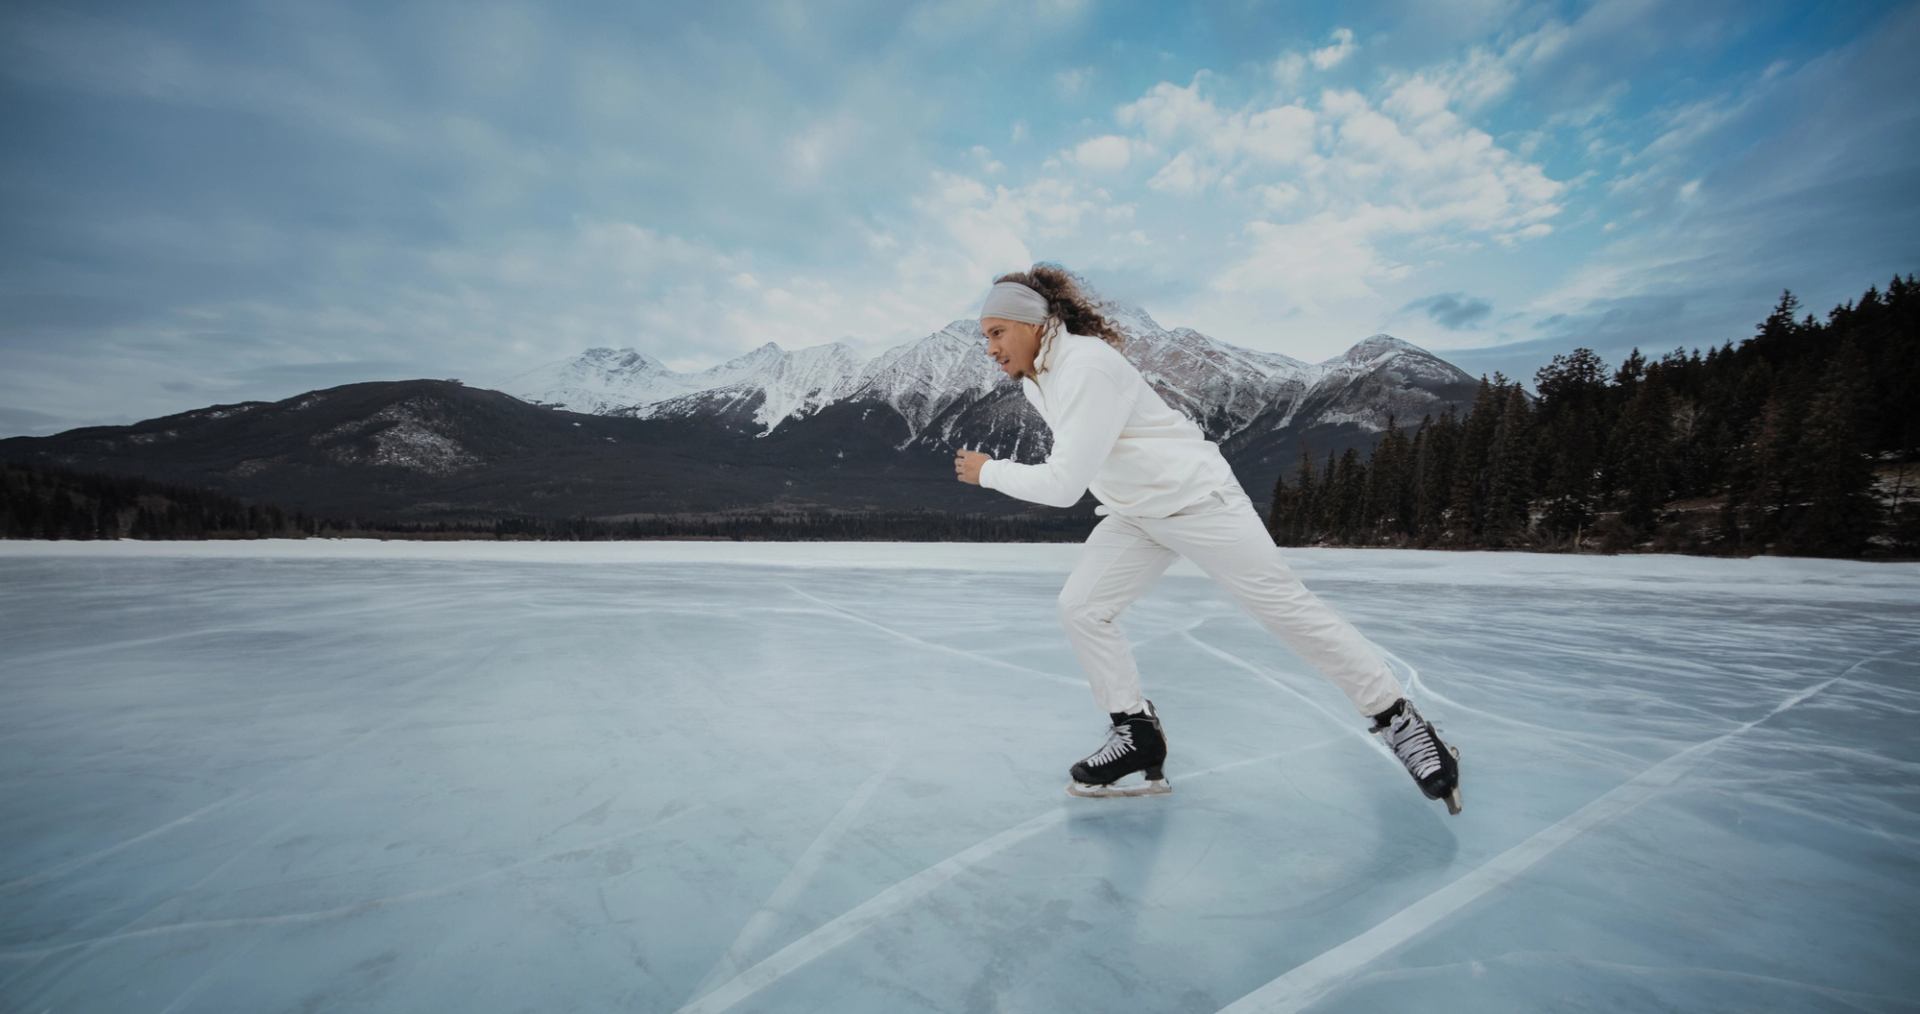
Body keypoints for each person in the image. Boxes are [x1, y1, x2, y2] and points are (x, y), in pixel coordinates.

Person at [952, 265, 1461, 814]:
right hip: (1135, 514)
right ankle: (1136, 733)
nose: (990, 347)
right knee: (1082, 608)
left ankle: (1400, 720)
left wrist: (990, 471)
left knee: (1284, 609)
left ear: (1035, 324)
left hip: (1199, 502)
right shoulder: (1041, 377)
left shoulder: (1086, 367)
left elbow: (1063, 483)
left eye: (997, 332)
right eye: (985, 336)